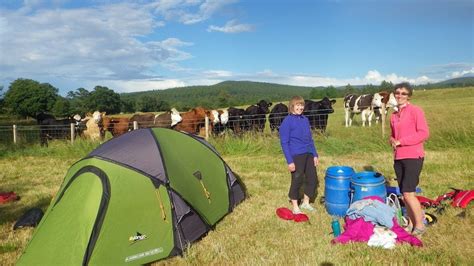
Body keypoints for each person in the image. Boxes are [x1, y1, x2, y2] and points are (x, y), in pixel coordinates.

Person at [390, 82, 429, 236]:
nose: (400, 95)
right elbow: (394, 135)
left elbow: (423, 133)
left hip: (413, 156)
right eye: (397, 93)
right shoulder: (393, 115)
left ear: (409, 96)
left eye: (403, 93)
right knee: (404, 193)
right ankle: (412, 223)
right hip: (398, 157)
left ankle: (420, 225)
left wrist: (401, 141)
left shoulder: (415, 111)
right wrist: (392, 140)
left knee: (408, 193)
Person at [279, 96, 319, 214]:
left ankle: (306, 203)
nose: (300, 107)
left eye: (302, 105)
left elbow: (310, 139)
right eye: (297, 105)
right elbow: (284, 142)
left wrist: (315, 154)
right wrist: (289, 161)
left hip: (309, 153)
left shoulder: (305, 119)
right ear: (292, 106)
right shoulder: (287, 121)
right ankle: (295, 206)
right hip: (296, 155)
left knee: (313, 179)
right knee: (297, 179)